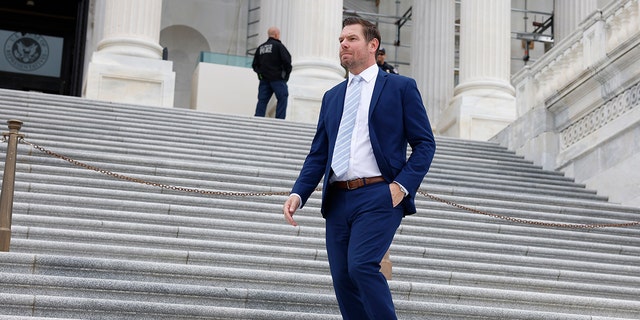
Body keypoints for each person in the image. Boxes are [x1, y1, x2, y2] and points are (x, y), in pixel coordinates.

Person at [282, 17, 436, 319]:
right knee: (343, 278)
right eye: (341, 40)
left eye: (351, 39)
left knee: (362, 266)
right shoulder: (332, 97)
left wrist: (400, 187)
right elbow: (319, 154)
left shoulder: (401, 88)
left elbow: (425, 144)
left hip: (379, 194)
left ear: (372, 44)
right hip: (338, 199)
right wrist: (298, 194)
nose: (343, 45)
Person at [252, 26, 292, 119]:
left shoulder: (260, 48)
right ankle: (279, 120)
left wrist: (261, 75)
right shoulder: (279, 46)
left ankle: (258, 119)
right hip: (277, 79)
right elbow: (287, 62)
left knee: (262, 101)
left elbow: (255, 65)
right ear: (276, 35)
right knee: (282, 98)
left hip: (264, 80)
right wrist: (285, 77)